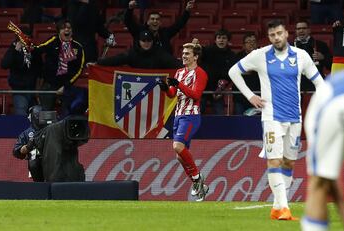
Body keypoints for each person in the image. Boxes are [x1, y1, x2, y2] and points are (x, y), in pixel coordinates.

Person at [228, 19, 324, 220]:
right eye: (272, 35)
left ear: (286, 33)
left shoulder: (301, 56)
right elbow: (233, 71)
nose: (276, 38)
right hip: (271, 116)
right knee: (274, 159)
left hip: (295, 118)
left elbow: (319, 83)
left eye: (279, 33)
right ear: (269, 37)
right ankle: (283, 208)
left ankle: (277, 206)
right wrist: (250, 96)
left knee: (289, 162)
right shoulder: (260, 55)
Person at [158, 41, 209, 201]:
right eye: (183, 53)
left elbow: (196, 95)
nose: (184, 56)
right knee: (179, 156)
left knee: (177, 146)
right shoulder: (179, 72)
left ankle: (197, 178)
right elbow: (173, 94)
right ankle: (201, 186)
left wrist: (179, 85)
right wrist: (166, 88)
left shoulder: (200, 73)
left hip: (191, 116)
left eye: (187, 53)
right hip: (178, 115)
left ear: (195, 57)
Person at [301, 70, 344, 231]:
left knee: (318, 183)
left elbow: (325, 176)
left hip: (332, 105)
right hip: (333, 102)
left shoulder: (326, 91)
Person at [35, 19, 86, 117]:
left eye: (69, 28)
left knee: (66, 117)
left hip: (66, 87)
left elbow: (79, 70)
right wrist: (28, 46)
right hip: (49, 85)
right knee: (45, 117)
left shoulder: (78, 47)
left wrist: (66, 86)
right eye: (63, 28)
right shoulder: (53, 41)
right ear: (59, 31)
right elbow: (38, 49)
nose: (67, 30)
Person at [0, 26, 43, 116]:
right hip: (19, 90)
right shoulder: (14, 48)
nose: (25, 40)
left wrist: (38, 89)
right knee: (21, 116)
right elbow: (4, 65)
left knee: (37, 117)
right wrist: (15, 50)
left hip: (33, 90)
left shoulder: (33, 50)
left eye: (28, 37)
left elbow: (40, 70)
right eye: (23, 37)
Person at [125, 0, 194, 54]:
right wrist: (130, 9)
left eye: (157, 19)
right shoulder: (140, 31)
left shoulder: (165, 33)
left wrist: (187, 11)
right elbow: (128, 22)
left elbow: (179, 25)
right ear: (148, 22)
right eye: (152, 19)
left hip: (162, 68)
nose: (155, 21)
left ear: (160, 22)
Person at [95, 30, 182, 69]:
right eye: (143, 40)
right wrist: (98, 63)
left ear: (153, 41)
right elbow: (115, 60)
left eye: (149, 40)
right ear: (139, 42)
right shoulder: (132, 53)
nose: (146, 43)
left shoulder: (160, 53)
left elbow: (174, 63)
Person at [199, 29, 237, 115]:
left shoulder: (232, 56)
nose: (221, 40)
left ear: (228, 40)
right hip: (203, 90)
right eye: (219, 38)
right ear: (215, 40)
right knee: (195, 116)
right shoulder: (207, 51)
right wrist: (196, 45)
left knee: (220, 116)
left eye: (224, 38)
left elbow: (231, 75)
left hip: (219, 91)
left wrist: (222, 88)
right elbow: (197, 53)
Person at [294, 20, 332, 91]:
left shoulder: (321, 45)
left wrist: (323, 58)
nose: (301, 30)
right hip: (297, 85)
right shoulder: (289, 47)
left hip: (316, 84)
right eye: (298, 29)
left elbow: (331, 66)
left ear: (309, 30)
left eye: (304, 28)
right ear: (296, 31)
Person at [13, 105, 44, 182]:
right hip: (37, 165)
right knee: (33, 161)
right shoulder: (26, 133)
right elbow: (17, 151)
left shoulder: (53, 129)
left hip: (53, 161)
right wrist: (28, 146)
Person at [233, 32, 261, 115]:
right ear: (244, 45)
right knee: (239, 122)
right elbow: (240, 72)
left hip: (258, 95)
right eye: (248, 42)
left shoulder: (262, 56)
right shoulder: (238, 56)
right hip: (240, 96)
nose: (251, 44)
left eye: (253, 41)